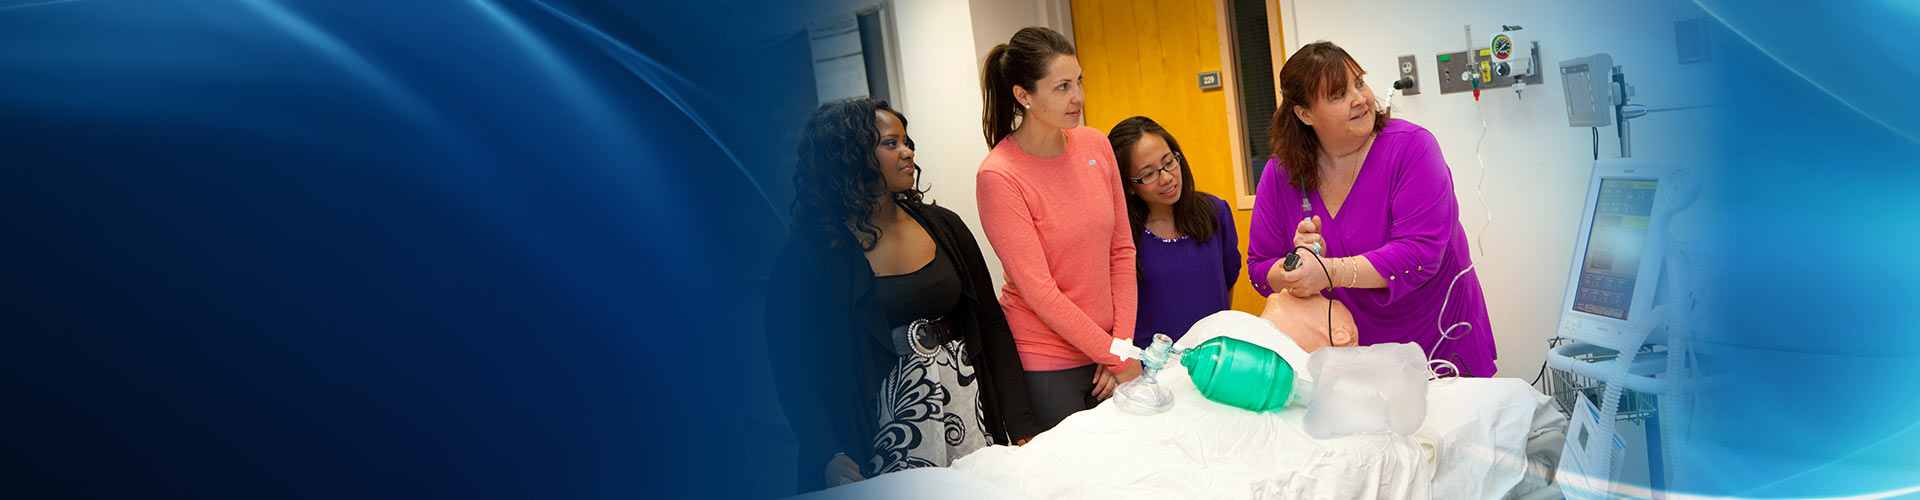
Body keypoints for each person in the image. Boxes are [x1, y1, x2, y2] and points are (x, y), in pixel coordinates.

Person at [766, 98, 1040, 492]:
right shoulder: (810, 255)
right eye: (891, 144)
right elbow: (791, 368)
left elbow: (992, 326)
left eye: (907, 142)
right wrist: (829, 451)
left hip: (965, 409)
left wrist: (1021, 423)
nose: (908, 151)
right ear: (851, 156)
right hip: (875, 434)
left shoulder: (944, 226)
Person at [1245, 41, 1498, 377]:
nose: (1360, 99)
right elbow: (1260, 269)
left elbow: (1419, 254)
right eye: (1338, 94)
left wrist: (1328, 271)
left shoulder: (1412, 148)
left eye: (1359, 82)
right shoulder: (1282, 176)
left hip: (1438, 339)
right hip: (1354, 353)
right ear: (1305, 114)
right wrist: (1295, 268)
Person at [974, 26, 1141, 432]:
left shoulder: (1096, 145)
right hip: (1049, 365)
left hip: (1111, 352)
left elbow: (1121, 252)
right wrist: (1117, 356)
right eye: (1063, 86)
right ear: (1023, 96)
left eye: (1079, 81)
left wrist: (1118, 347)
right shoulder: (999, 176)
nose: (1079, 97)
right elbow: (1040, 292)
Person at [1106, 116, 1240, 349]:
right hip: (1156, 371)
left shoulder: (1215, 212)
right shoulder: (1120, 236)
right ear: (1128, 186)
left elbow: (1227, 284)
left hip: (1215, 361)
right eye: (1148, 174)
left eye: (1169, 162)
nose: (1167, 178)